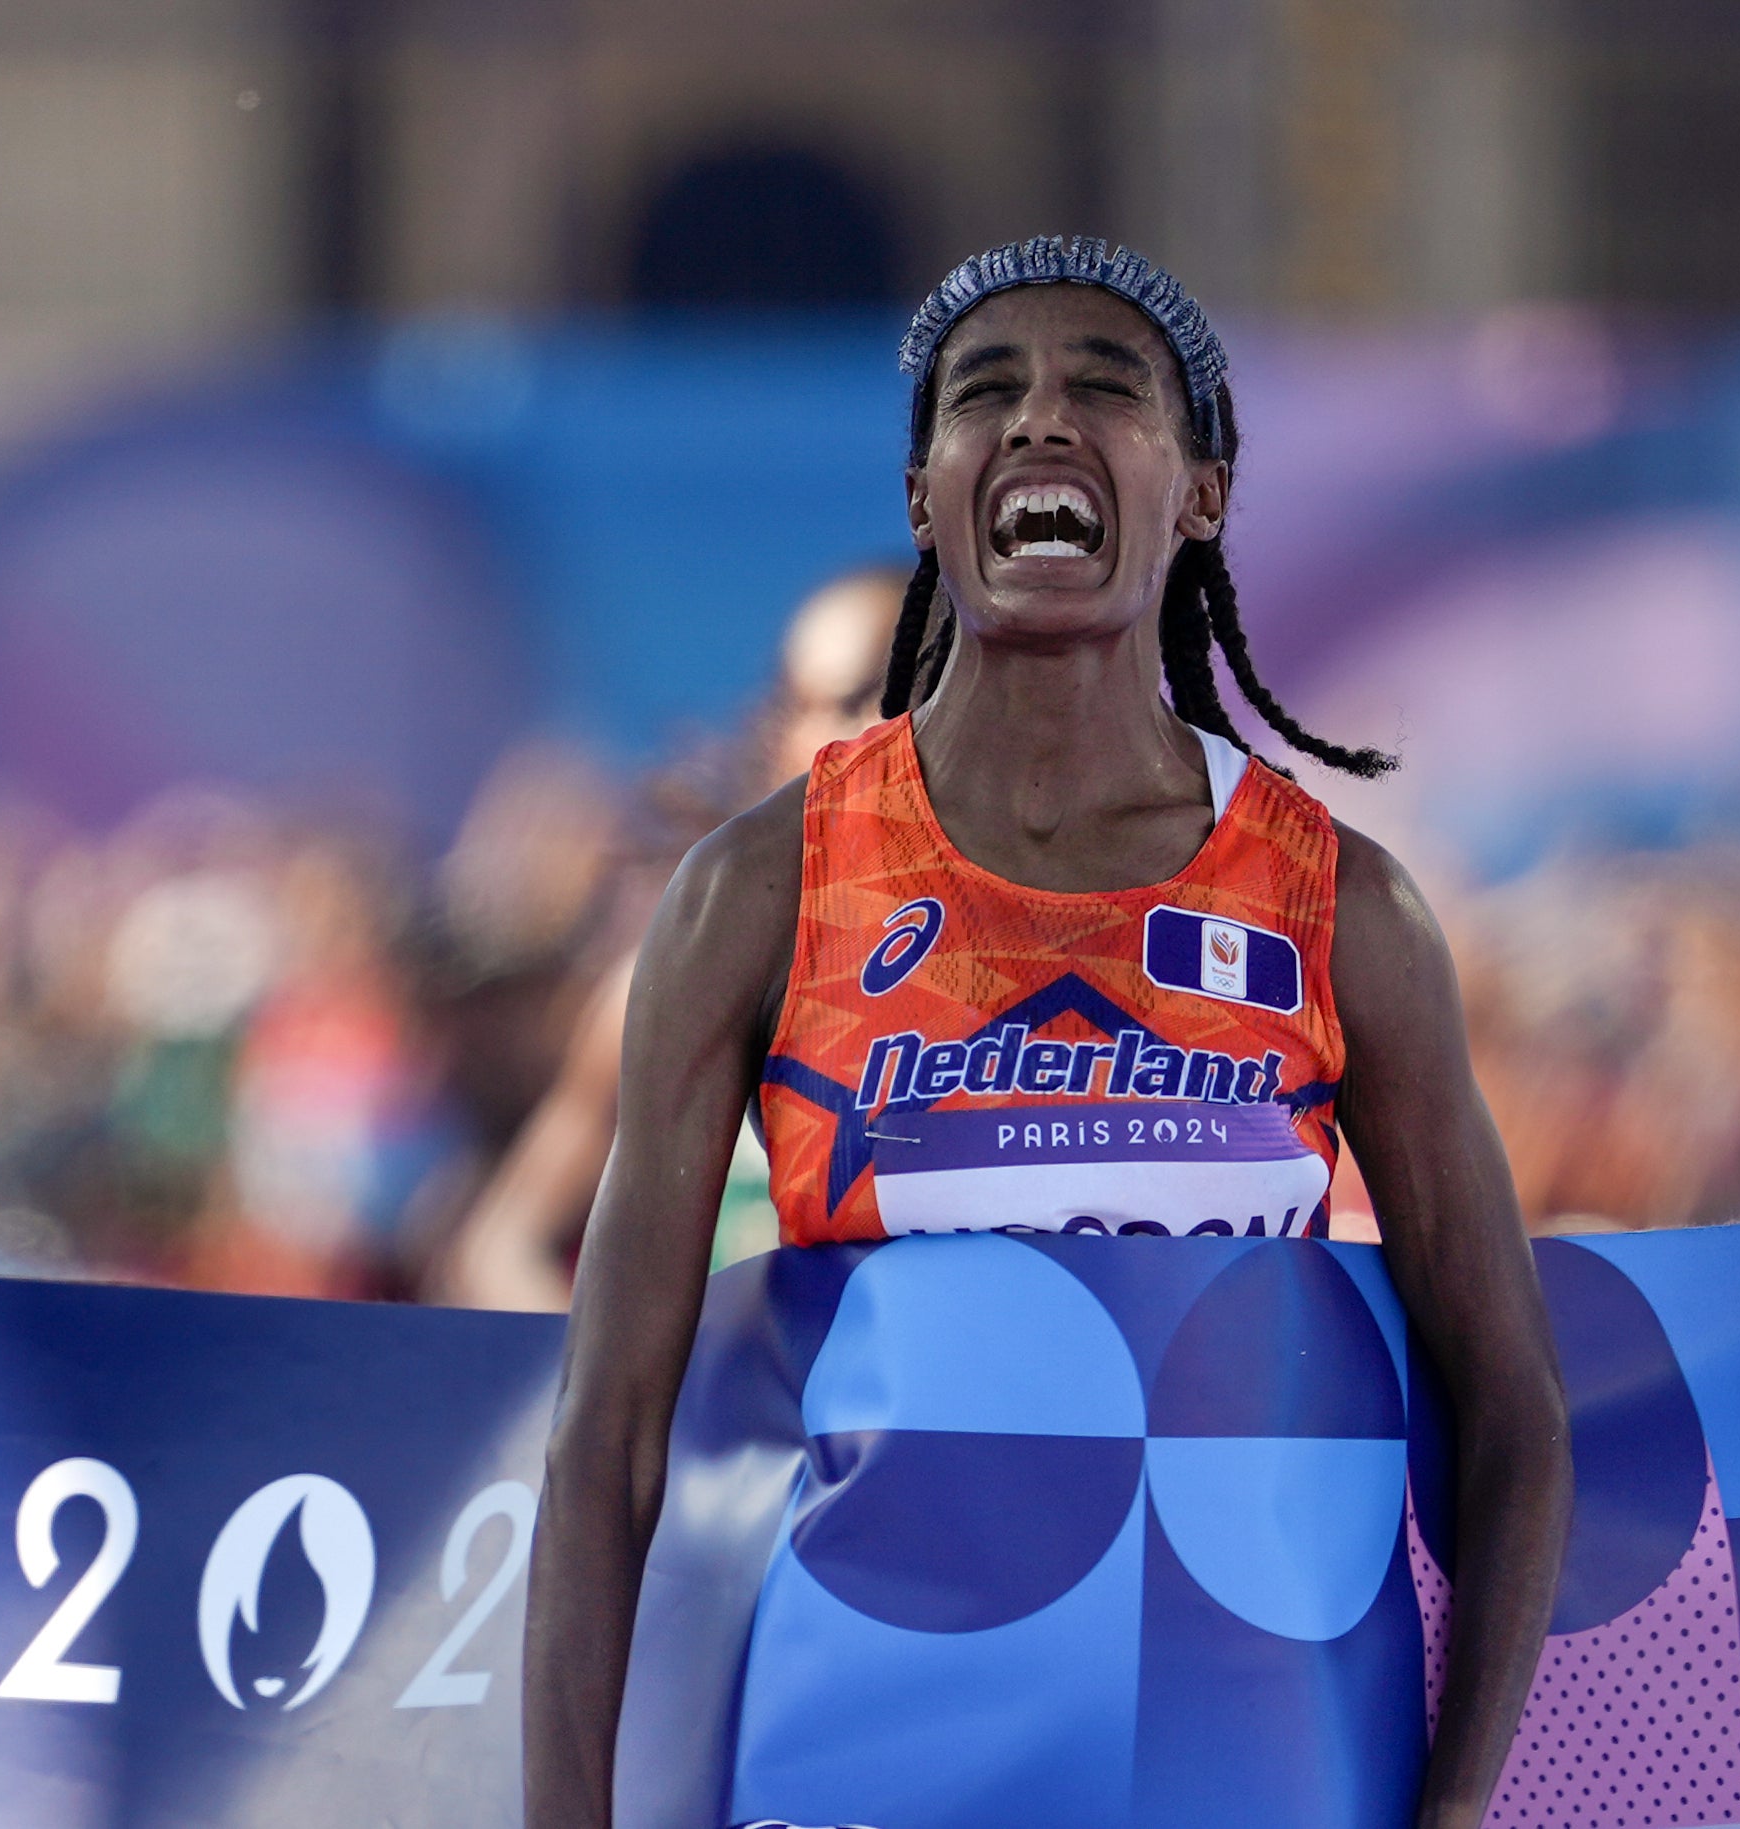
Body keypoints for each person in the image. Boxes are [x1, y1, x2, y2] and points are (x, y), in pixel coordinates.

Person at [525, 238, 1571, 1828]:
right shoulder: (757, 890)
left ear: (1203, 487)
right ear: (924, 490)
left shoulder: (1338, 906)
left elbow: (1512, 1419)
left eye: (1105, 386)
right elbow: (605, 1439)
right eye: (984, 394)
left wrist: (1449, 1813)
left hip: (1242, 1775)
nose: (1035, 422)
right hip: (859, 1769)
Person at [436, 569, 906, 1310]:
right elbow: (501, 1243)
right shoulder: (672, 984)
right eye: (796, 701)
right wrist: (617, 1395)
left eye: (860, 694)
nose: (826, 735)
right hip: (719, 1426)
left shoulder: (1029, 982)